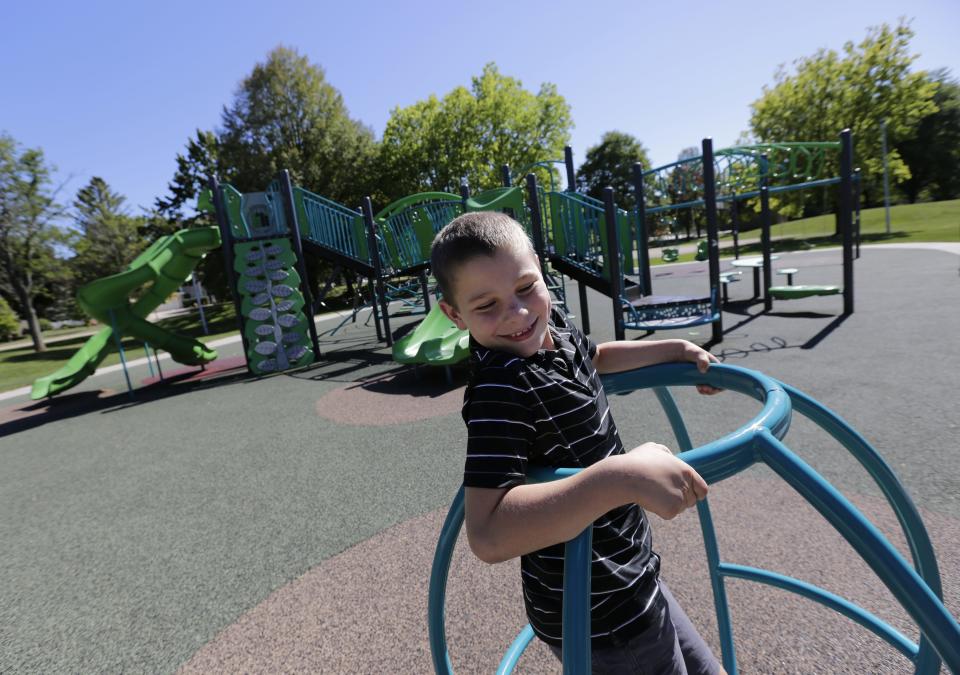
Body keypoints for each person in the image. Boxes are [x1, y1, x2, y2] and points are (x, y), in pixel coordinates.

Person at [431, 211, 725, 674]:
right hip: (596, 614)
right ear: (454, 314)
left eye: (526, 288)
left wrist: (671, 349)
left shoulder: (556, 330)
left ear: (541, 272)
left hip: (630, 573)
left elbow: (599, 357)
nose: (518, 314)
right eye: (486, 305)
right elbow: (487, 533)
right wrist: (620, 476)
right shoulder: (500, 390)